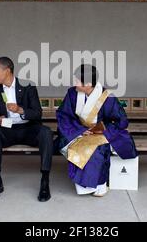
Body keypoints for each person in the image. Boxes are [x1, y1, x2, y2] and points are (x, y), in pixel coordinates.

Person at [56, 64, 138, 196]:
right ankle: (88, 186)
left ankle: (99, 184)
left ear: (88, 83)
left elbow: (122, 121)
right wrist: (79, 130)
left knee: (97, 150)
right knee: (77, 147)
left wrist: (104, 130)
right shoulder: (72, 93)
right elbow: (63, 115)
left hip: (99, 133)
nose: (74, 84)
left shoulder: (106, 97)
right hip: (78, 132)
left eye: (77, 81)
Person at [0, 57, 53, 202]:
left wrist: (20, 110)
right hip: (8, 130)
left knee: (46, 132)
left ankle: (45, 181)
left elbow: (37, 113)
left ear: (7, 71)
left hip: (28, 129)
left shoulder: (28, 88)